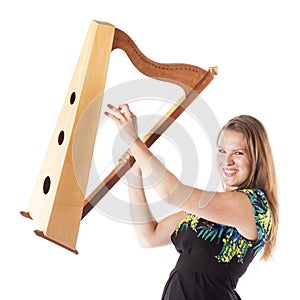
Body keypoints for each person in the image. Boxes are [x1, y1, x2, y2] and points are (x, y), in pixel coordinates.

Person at [105, 103, 279, 300]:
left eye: (238, 153)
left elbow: (173, 193)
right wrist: (135, 174)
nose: (227, 161)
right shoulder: (210, 210)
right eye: (222, 151)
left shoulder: (254, 205)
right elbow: (148, 236)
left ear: (256, 158)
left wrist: (134, 141)